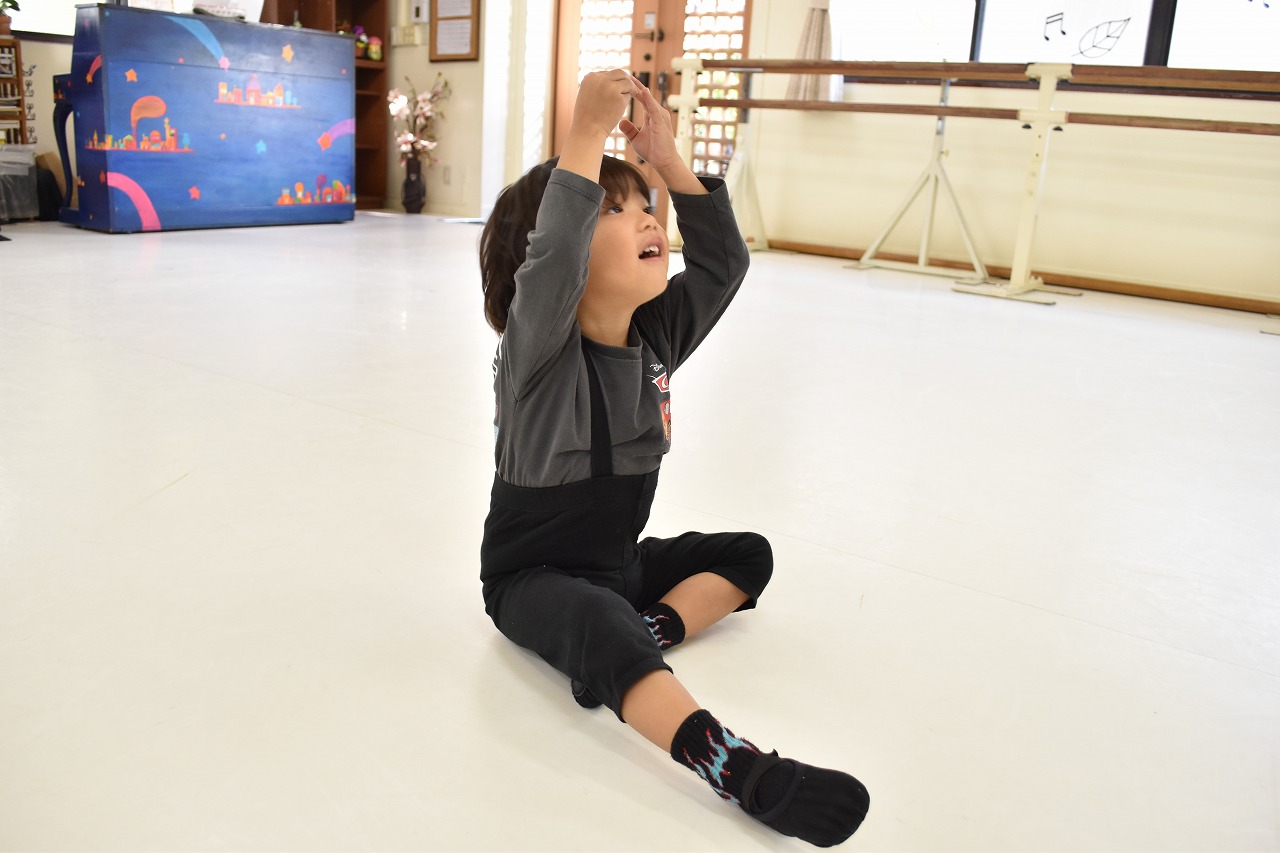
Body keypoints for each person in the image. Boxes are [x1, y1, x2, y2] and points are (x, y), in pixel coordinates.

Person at [477, 69, 870, 848]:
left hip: (617, 568)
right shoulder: (537, 357)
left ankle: (643, 635)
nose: (646, 216)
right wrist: (585, 136)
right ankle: (737, 767)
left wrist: (668, 160)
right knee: (596, 617)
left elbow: (723, 266)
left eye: (643, 204)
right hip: (531, 580)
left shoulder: (653, 337)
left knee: (747, 555)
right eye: (612, 208)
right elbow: (551, 262)